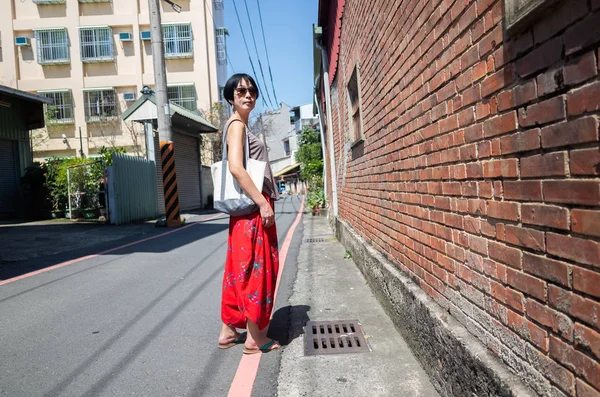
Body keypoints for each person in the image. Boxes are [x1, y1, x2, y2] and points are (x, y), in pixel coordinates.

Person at [217, 73, 281, 354]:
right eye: (241, 90)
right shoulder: (236, 126)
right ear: (231, 96)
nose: (248, 95)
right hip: (253, 208)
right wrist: (263, 203)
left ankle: (229, 331)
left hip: (244, 211)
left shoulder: (239, 124)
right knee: (258, 269)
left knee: (238, 269)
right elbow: (236, 168)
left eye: (252, 90)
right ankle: (255, 339)